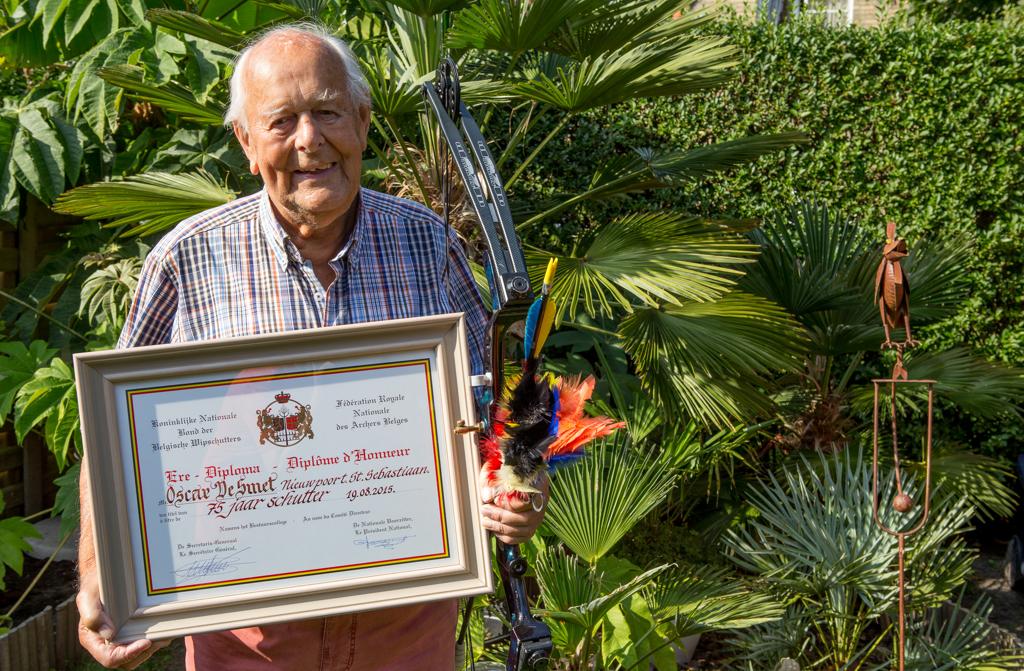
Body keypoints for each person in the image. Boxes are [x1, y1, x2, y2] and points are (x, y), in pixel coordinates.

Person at [76, 24, 547, 670]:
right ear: (246, 142)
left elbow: (496, 398)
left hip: (406, 632)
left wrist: (520, 478)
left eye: (328, 112)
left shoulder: (426, 244)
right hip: (247, 641)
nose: (309, 140)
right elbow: (112, 435)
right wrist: (98, 573)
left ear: (362, 121)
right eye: (281, 121)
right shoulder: (188, 260)